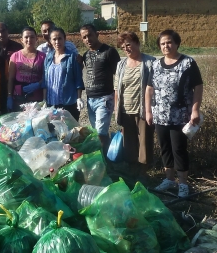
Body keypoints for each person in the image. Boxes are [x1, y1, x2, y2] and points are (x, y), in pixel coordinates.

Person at [145, 29, 203, 199]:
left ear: (177, 43)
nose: (166, 46)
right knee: (165, 148)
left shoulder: (188, 63)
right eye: (162, 43)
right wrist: (148, 111)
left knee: (179, 148)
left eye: (169, 42)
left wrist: (195, 110)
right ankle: (169, 179)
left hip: (181, 115)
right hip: (160, 115)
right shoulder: (155, 65)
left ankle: (183, 184)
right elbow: (149, 89)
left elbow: (198, 87)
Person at [114, 32, 155, 177]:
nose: (126, 49)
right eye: (123, 47)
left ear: (137, 43)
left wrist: (151, 109)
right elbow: (117, 88)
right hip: (125, 109)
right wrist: (116, 108)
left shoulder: (150, 62)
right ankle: (132, 169)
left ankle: (144, 171)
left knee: (144, 140)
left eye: (128, 44)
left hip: (143, 108)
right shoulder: (121, 64)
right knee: (129, 141)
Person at [80, 23, 120, 153]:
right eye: (84, 37)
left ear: (97, 34)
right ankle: (103, 156)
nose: (88, 39)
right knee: (96, 131)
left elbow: (118, 76)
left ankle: (106, 159)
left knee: (101, 132)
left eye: (90, 35)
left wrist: (117, 98)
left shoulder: (109, 52)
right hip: (90, 99)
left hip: (105, 98)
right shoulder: (86, 55)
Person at [43, 27, 84, 120]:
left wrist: (79, 98)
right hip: (51, 103)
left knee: (70, 129)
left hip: (68, 103)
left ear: (64, 39)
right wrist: (44, 99)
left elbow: (78, 79)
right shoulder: (48, 58)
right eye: (54, 39)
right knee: (53, 128)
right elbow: (45, 81)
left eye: (60, 38)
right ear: (50, 41)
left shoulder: (72, 57)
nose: (57, 42)